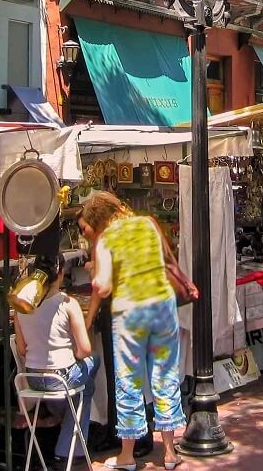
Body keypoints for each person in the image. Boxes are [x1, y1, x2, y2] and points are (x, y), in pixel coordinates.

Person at [80, 192, 185, 471]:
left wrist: (97, 271)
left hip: (131, 313)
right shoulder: (147, 223)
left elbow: (103, 287)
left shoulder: (105, 240)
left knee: (129, 383)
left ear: (97, 221)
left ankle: (127, 456)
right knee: (165, 377)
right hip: (162, 307)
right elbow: (164, 260)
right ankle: (171, 453)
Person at [14, 254, 98, 469]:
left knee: (80, 387)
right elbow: (85, 349)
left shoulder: (21, 306)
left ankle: (59, 423)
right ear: (61, 274)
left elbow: (22, 349)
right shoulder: (68, 303)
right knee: (92, 366)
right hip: (60, 376)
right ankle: (69, 447)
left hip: (32, 377)